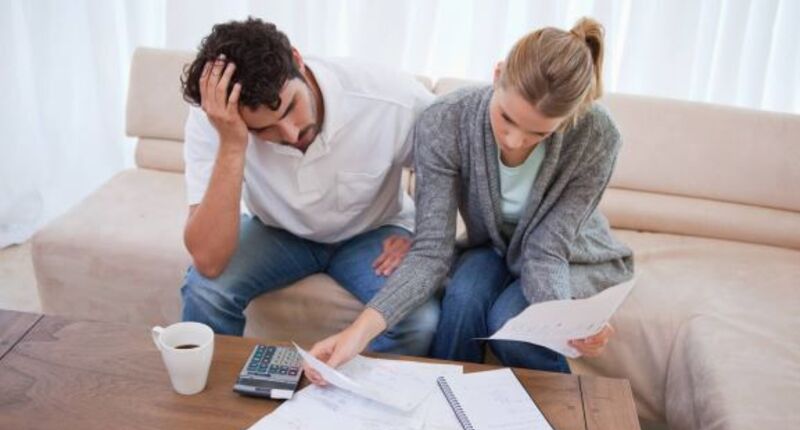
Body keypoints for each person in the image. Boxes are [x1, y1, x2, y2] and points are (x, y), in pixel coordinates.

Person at [306, 17, 634, 380]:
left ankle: (562, 412)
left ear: (569, 117)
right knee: (462, 299)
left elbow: (547, 249)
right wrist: (356, 334)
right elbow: (431, 251)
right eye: (506, 118)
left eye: (537, 133)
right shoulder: (445, 120)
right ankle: (444, 401)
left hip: (567, 257)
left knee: (511, 327)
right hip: (490, 247)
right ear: (497, 75)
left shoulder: (598, 135)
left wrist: (565, 321)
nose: (514, 141)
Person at [178, 18, 439, 357]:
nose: (290, 133)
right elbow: (209, 261)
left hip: (372, 231)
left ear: (298, 60)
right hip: (277, 232)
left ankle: (362, 392)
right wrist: (231, 144)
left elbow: (457, 166)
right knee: (205, 291)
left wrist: (425, 236)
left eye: (290, 107)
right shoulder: (216, 118)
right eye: (263, 130)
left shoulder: (393, 99)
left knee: (418, 320)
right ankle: (218, 392)